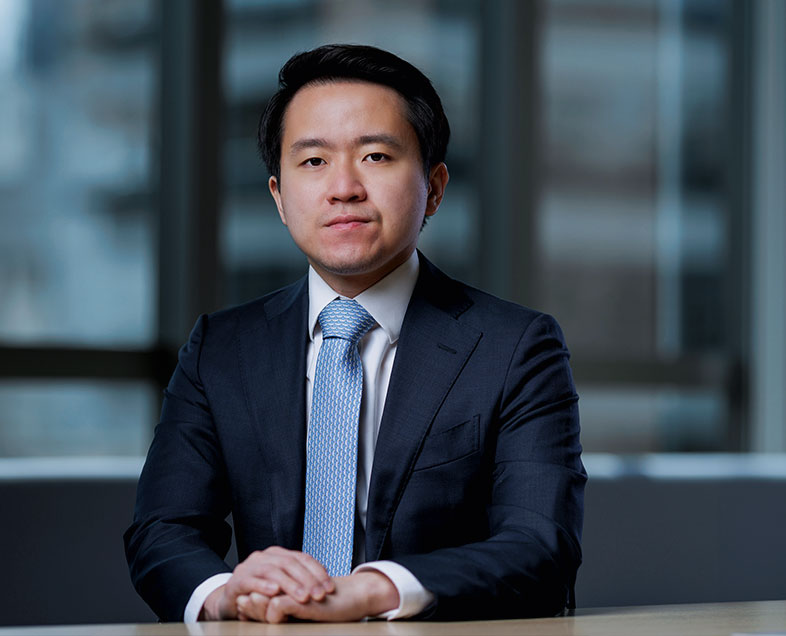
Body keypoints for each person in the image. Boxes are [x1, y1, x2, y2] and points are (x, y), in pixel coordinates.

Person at [124, 43, 586, 624]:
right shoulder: (223, 347)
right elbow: (163, 530)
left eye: (375, 156)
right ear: (279, 198)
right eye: (313, 162)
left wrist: (372, 590)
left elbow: (541, 545)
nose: (343, 187)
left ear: (434, 188)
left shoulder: (516, 348)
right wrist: (226, 592)